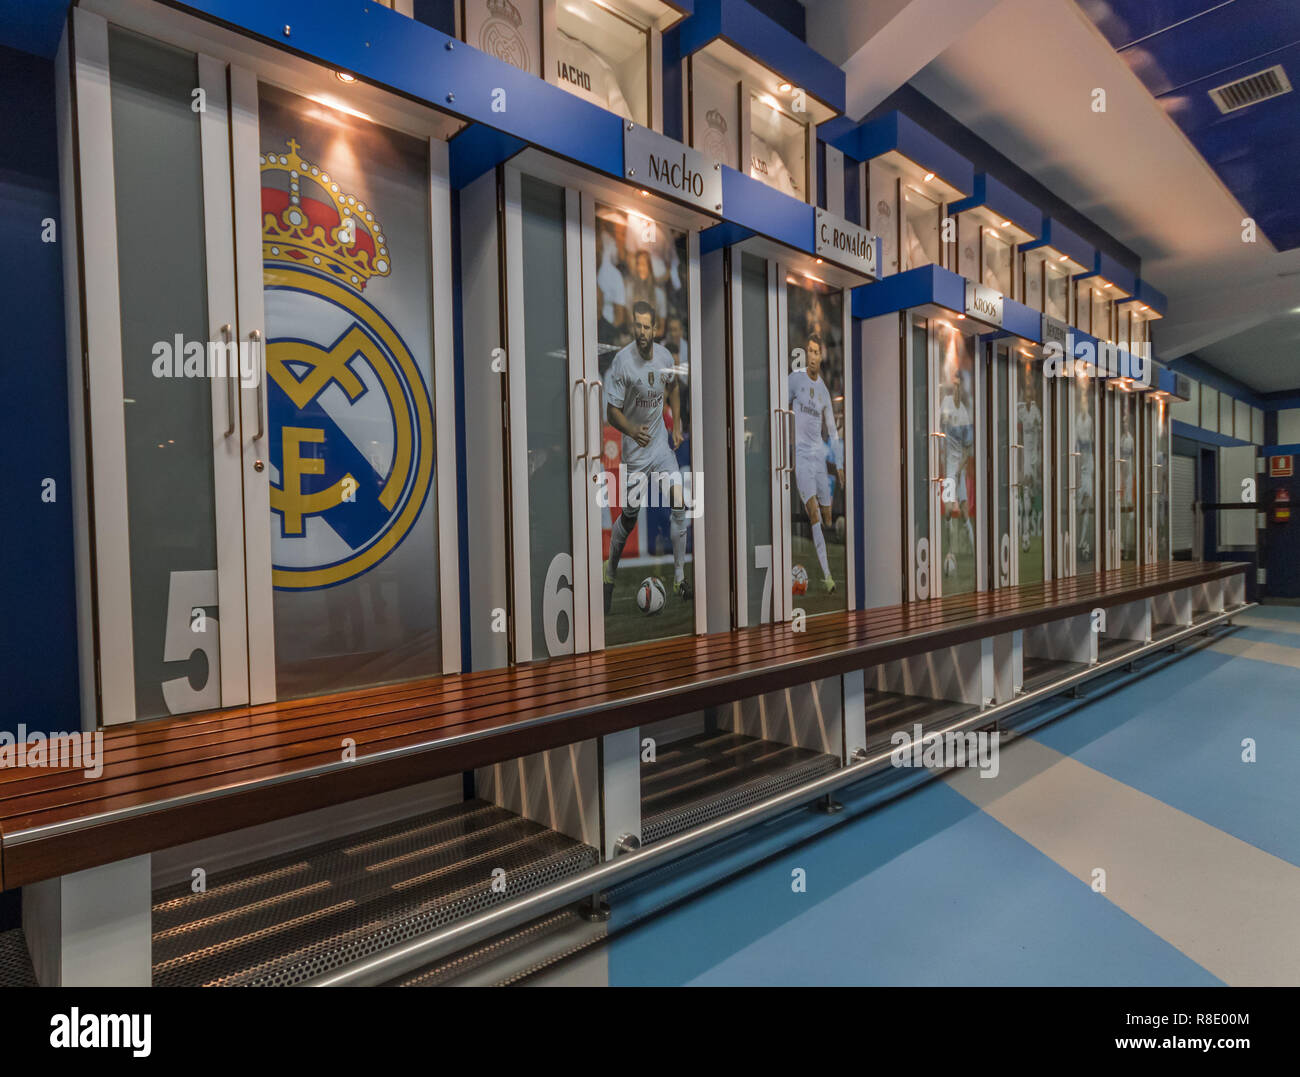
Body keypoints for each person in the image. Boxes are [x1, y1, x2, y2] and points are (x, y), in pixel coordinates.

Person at [603, 301, 691, 611]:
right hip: (636, 454)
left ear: (655, 329)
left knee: (679, 502)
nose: (641, 332)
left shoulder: (665, 357)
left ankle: (680, 577)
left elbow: (675, 387)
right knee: (628, 519)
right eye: (637, 326)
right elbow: (611, 412)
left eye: (646, 326)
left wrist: (677, 425)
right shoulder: (622, 362)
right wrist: (630, 430)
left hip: (661, 449)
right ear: (633, 327)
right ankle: (609, 575)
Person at [788, 333, 843, 594]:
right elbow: (778, 406)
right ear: (806, 353)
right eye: (809, 351)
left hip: (819, 456)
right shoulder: (795, 380)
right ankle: (827, 576)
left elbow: (832, 430)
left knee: (828, 517)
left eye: (816, 352)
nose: (812, 356)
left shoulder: (823, 391)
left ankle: (835, 540)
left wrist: (839, 464)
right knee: (813, 513)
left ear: (821, 357)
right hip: (801, 456)